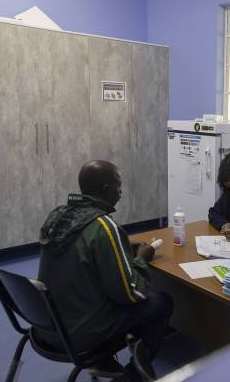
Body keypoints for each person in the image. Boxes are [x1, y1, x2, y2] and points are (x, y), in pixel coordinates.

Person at [38, 160, 173, 379]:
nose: (120, 193)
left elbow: (81, 255)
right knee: (161, 303)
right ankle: (133, 375)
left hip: (49, 325)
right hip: (82, 335)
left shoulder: (58, 216)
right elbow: (131, 294)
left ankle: (104, 360)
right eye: (118, 187)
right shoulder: (104, 227)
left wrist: (119, 249)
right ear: (106, 190)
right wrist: (141, 259)